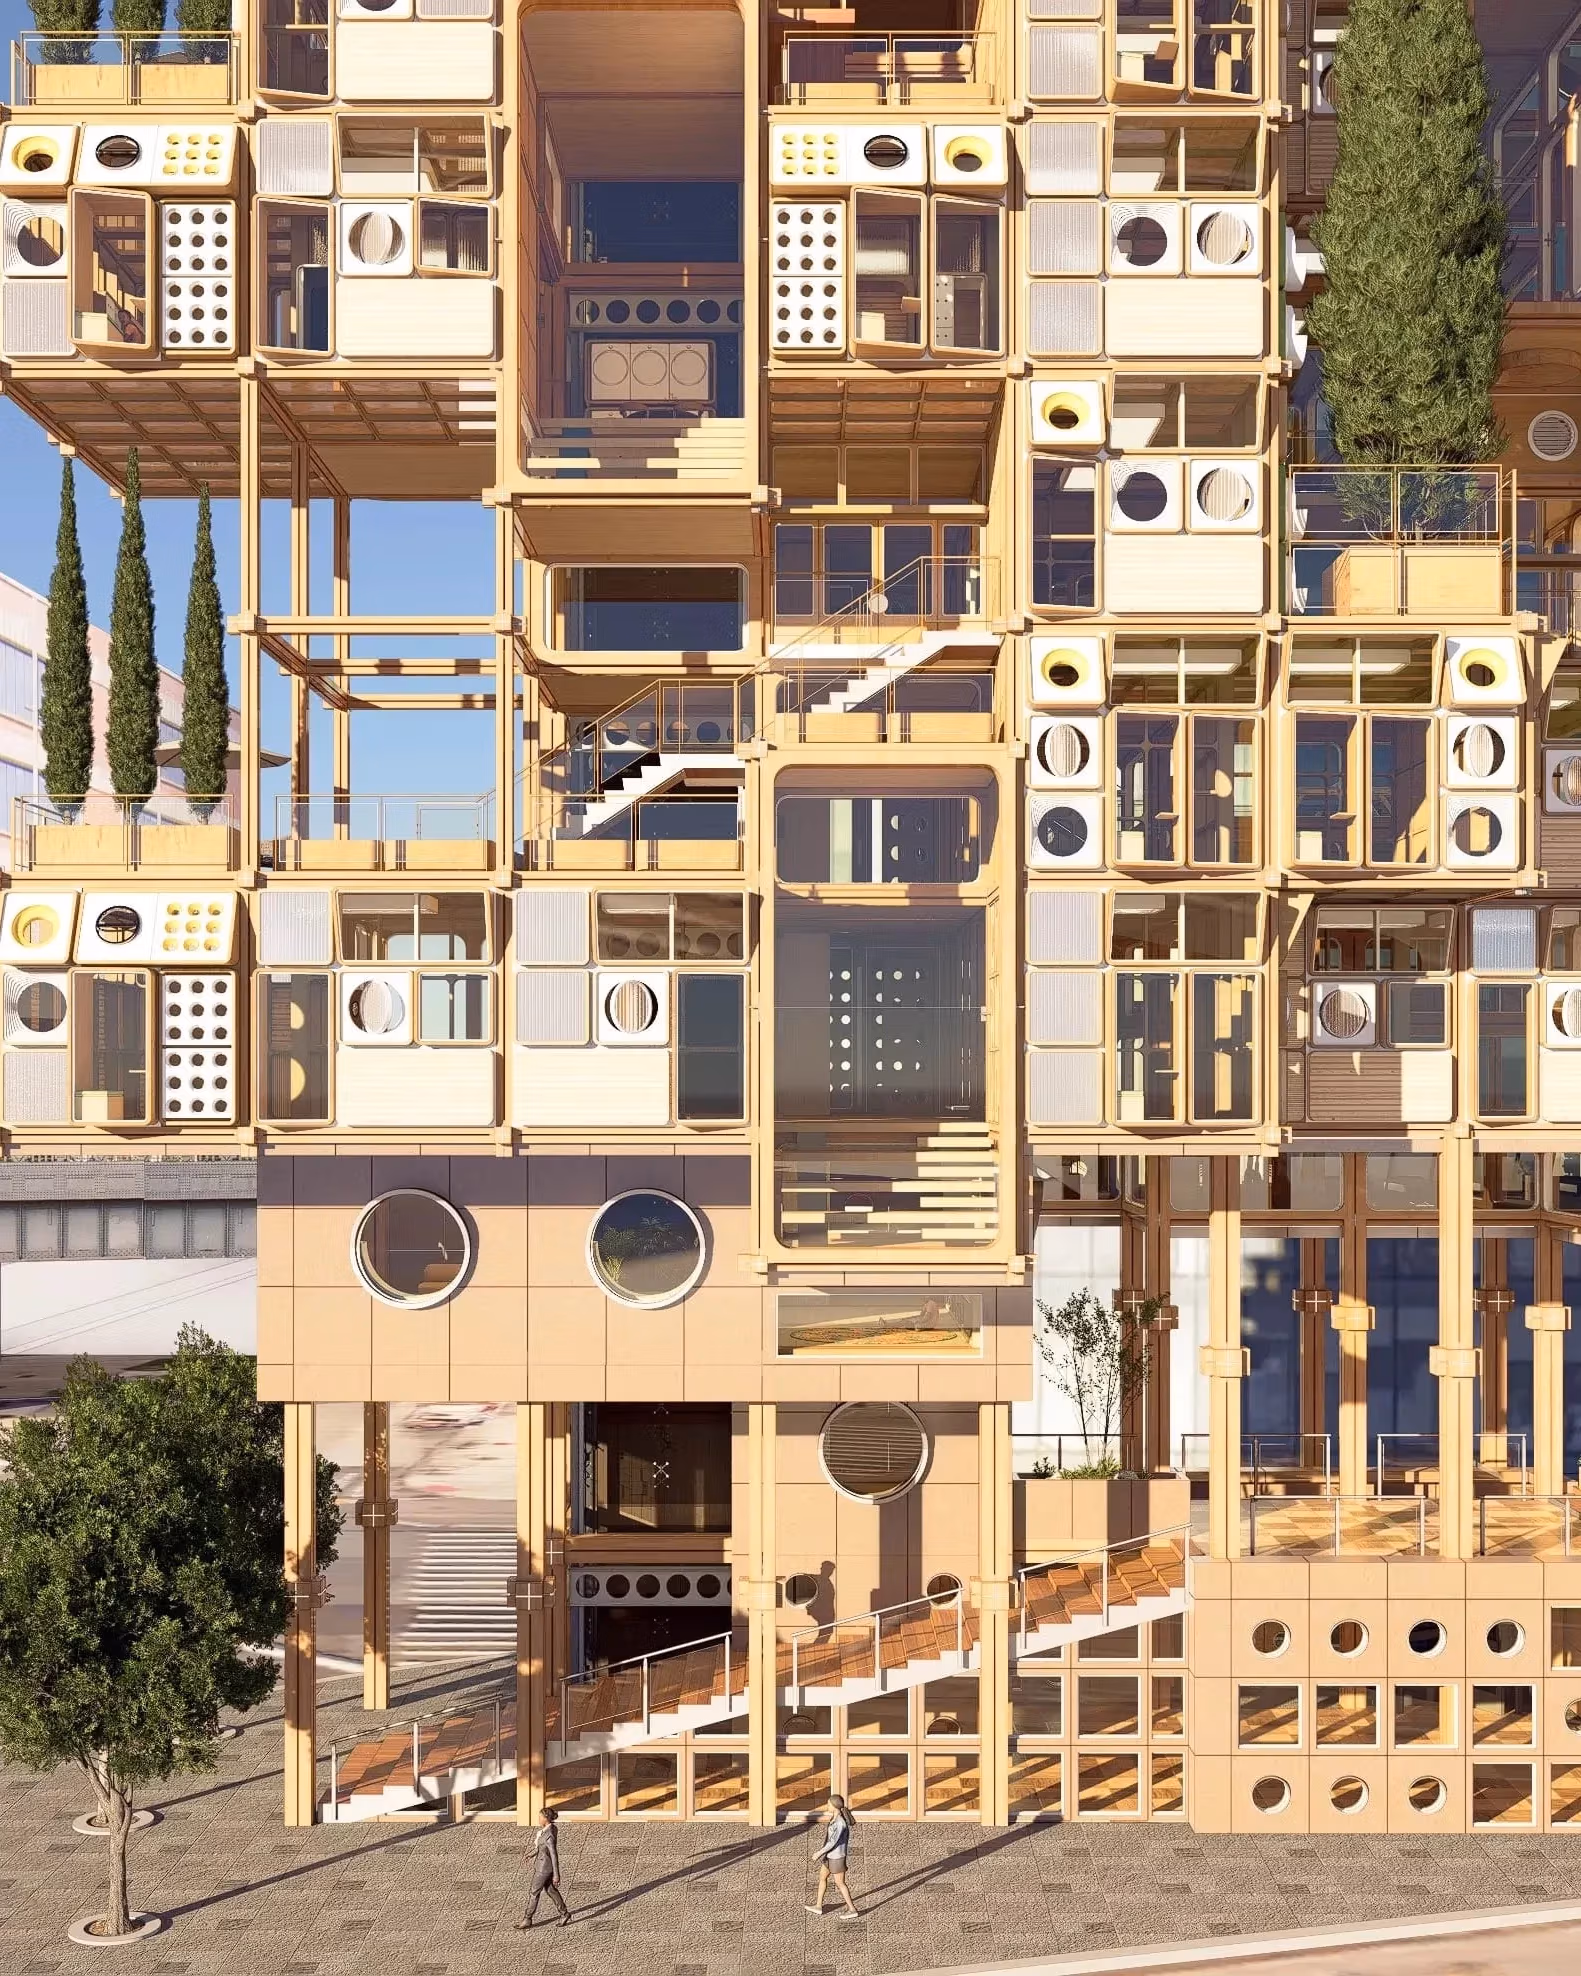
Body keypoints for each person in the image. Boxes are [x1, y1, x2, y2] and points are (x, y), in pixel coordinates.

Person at [514, 1807, 570, 1929]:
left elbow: (554, 1855)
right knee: (551, 1890)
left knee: (534, 1892)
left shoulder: (549, 1836)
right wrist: (531, 1854)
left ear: (545, 1818)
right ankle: (564, 1913)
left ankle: (527, 1918)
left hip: (543, 1869)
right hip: (545, 1866)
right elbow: (541, 1848)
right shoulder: (550, 1829)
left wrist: (556, 1874)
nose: (538, 1819)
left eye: (540, 1817)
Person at [805, 1793, 859, 1919]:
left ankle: (852, 1909)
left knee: (840, 1883)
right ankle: (818, 1906)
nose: (827, 1806)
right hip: (830, 1857)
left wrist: (819, 1853)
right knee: (822, 1877)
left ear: (834, 1806)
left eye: (829, 1804)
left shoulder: (840, 1823)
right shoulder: (835, 1818)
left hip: (836, 1857)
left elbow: (832, 1842)